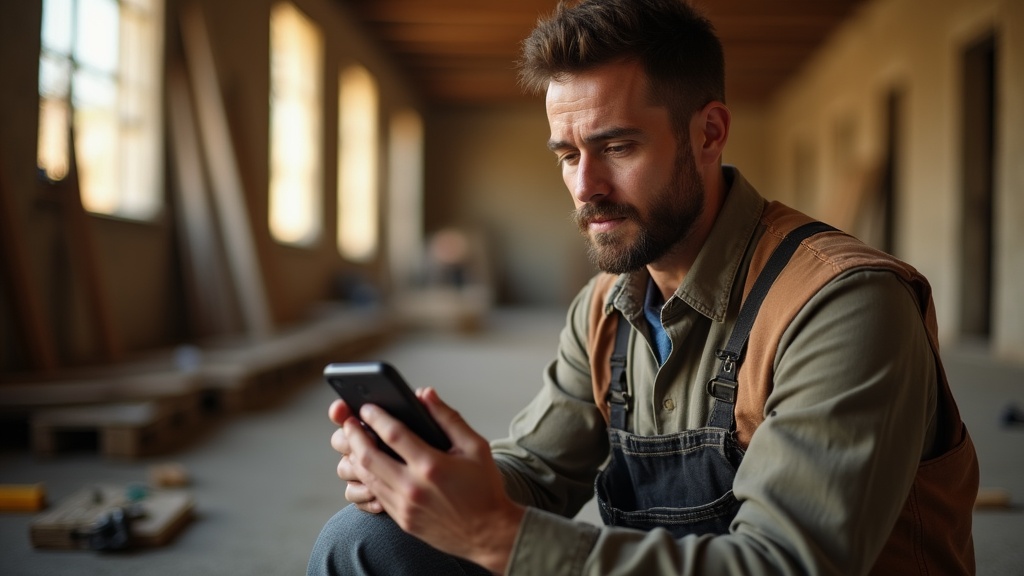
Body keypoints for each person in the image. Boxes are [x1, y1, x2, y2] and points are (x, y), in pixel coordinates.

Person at [308, 0, 979, 574]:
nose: (585, 188)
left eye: (618, 147)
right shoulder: (607, 304)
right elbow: (539, 472)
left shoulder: (844, 305)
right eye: (568, 155)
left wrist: (494, 534)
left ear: (709, 133)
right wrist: (439, 479)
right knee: (365, 541)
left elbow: (783, 564)